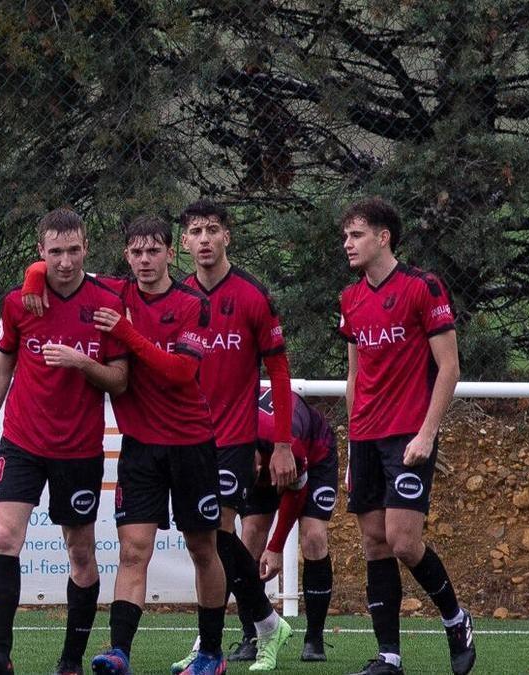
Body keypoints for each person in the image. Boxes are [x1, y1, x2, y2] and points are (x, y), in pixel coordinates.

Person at [19, 215, 228, 675]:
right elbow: (62, 269)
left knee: (202, 549)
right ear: (126, 256)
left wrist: (126, 331)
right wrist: (35, 273)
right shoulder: (116, 293)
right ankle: (119, 652)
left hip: (191, 443)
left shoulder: (193, 305)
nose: (145, 260)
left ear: (171, 253)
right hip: (139, 447)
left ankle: (211, 653)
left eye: (154, 251)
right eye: (136, 252)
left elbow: (179, 373)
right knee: (133, 550)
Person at [0, 208, 129, 675]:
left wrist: (81, 362)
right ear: (40, 252)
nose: (64, 261)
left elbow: (119, 381)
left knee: (80, 552)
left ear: (86, 250)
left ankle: (71, 660)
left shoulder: (107, 301)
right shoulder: (19, 302)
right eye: (54, 252)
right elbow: (1, 368)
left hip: (78, 448)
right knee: (4, 536)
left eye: (73, 250)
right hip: (21, 441)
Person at [338, 197, 474, 675]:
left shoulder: (422, 287)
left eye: (356, 235)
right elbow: (355, 377)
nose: (348, 244)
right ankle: (389, 658)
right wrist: (353, 444)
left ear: (383, 237)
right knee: (374, 543)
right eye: (346, 236)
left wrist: (427, 433)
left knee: (402, 541)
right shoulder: (350, 298)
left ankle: (456, 619)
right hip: (366, 438)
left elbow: (449, 367)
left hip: (408, 437)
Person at [175, 200, 295, 672]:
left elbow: (280, 373)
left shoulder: (251, 295)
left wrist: (282, 443)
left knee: (219, 536)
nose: (203, 239)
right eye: (195, 231)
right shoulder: (177, 295)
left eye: (212, 230)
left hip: (232, 440)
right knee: (201, 543)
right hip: (185, 440)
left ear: (227, 237)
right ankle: (258, 627)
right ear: (183, 243)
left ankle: (240, 633)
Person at [239, 386, 339, 663]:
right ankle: (252, 634)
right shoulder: (230, 434)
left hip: (315, 456)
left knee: (313, 537)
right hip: (261, 445)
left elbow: (297, 492)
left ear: (260, 469)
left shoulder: (288, 447)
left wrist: (276, 546)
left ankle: (314, 638)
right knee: (248, 540)